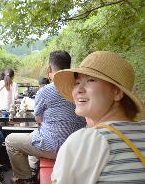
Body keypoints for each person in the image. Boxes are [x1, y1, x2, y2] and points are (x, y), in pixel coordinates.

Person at [52, 51, 145, 183]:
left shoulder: (89, 140)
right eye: (77, 82)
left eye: (91, 80)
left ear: (117, 92)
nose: (79, 89)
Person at [5, 50, 86, 184]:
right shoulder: (79, 89)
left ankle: (25, 178)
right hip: (75, 146)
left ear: (49, 69)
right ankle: (34, 168)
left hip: (54, 147)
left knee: (10, 140)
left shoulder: (45, 91)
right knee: (35, 136)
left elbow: (38, 120)